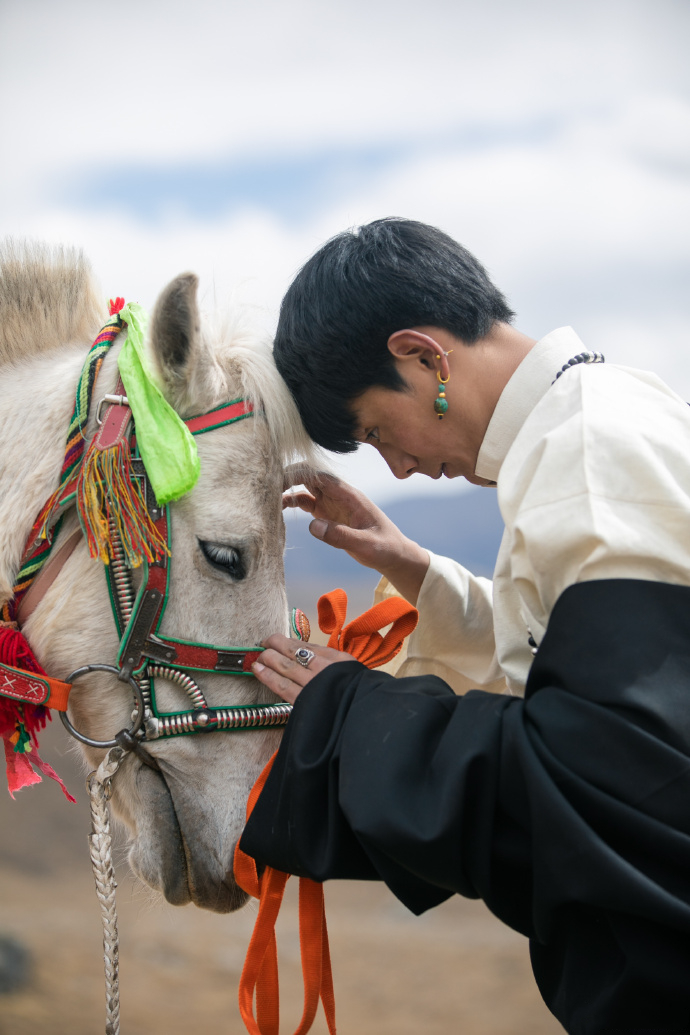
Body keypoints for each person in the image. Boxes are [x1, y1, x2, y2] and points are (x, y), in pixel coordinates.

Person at [240, 218, 690, 1034]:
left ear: (424, 357)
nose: (400, 466)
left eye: (377, 430)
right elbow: (592, 673)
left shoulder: (586, 453)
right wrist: (413, 565)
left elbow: (619, 779)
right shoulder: (602, 419)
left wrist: (349, 710)